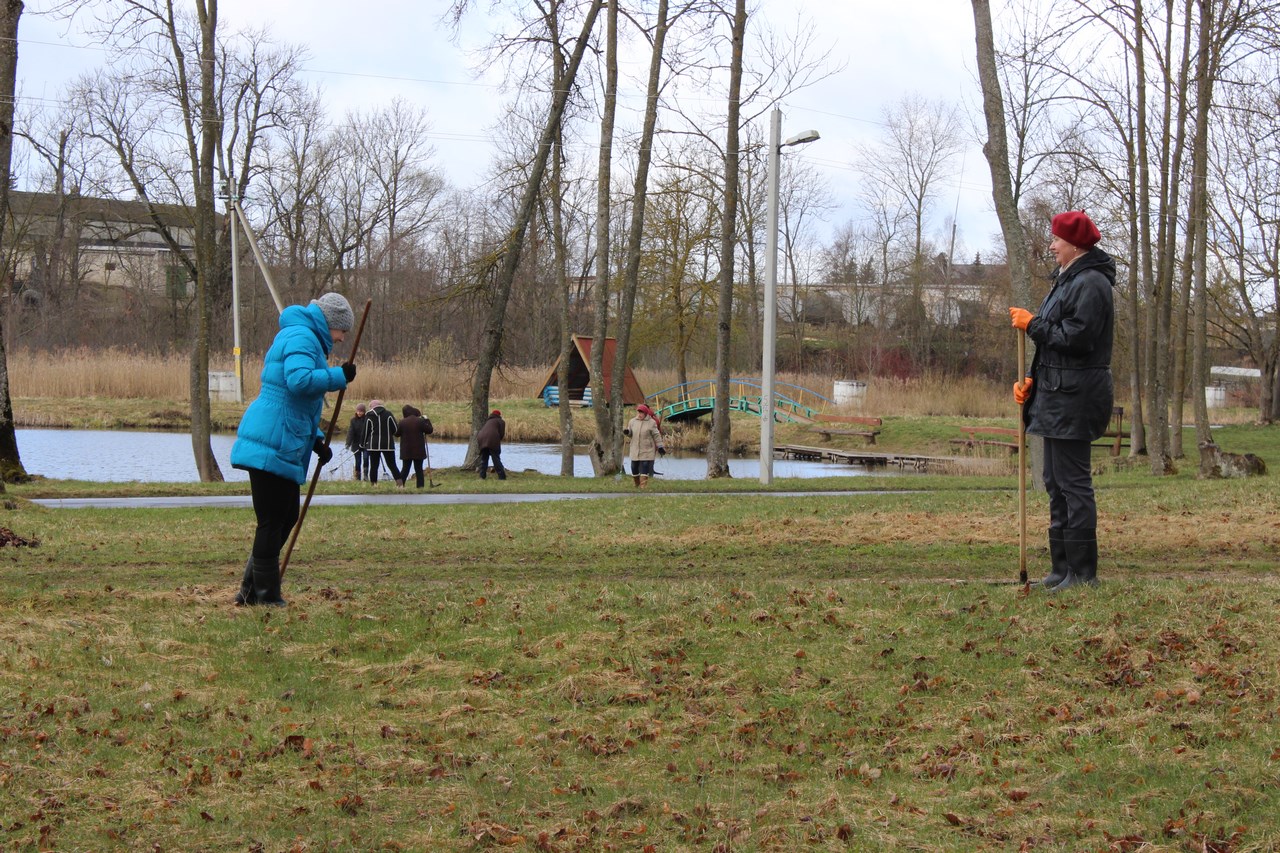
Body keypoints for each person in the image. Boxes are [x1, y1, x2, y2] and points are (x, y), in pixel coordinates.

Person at [1010, 210, 1115, 592]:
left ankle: (1083, 574)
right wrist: (1031, 381)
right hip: (1056, 395)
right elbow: (1055, 348)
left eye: (1056, 239)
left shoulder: (1092, 283)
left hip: (1076, 397)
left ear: (1074, 244)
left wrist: (1032, 324)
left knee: (1073, 483)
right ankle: (1061, 569)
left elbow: (1077, 339)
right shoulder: (1066, 280)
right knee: (1054, 482)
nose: (1052, 245)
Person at [230, 292, 356, 606]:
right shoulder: (302, 336)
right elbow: (298, 382)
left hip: (283, 437)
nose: (342, 338)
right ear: (330, 322)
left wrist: (315, 440)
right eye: (342, 330)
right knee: (273, 519)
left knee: (285, 516)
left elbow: (298, 403)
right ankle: (266, 596)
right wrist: (338, 376)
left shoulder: (306, 337)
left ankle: (249, 591)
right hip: (272, 439)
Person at [624, 403, 665, 488]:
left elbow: (656, 435)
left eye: (641, 413)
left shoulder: (651, 422)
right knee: (634, 467)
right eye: (638, 412)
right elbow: (630, 434)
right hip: (635, 448)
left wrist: (660, 446)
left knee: (645, 465)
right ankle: (637, 484)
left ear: (645, 413)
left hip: (647, 448)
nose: (639, 414)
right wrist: (627, 432)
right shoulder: (632, 422)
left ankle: (643, 486)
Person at [363, 399, 400, 486]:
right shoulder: (388, 414)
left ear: (372, 407)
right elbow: (396, 429)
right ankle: (400, 484)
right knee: (392, 465)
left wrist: (362, 444)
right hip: (388, 444)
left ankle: (374, 485)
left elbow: (365, 432)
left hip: (373, 445)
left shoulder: (369, 416)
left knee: (374, 466)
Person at [397, 404, 434, 488]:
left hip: (406, 450)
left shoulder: (402, 422)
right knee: (419, 469)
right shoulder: (420, 421)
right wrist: (426, 420)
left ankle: (400, 486)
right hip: (418, 450)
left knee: (405, 469)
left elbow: (396, 434)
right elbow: (429, 430)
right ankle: (420, 487)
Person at [476, 409, 506, 480]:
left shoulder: (488, 421)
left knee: (484, 458)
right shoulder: (501, 421)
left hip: (481, 438)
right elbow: (501, 434)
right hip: (492, 439)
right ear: (499, 415)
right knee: (496, 459)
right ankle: (502, 477)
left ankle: (482, 476)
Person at [345, 403, 368, 481]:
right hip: (356, 444)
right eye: (358, 411)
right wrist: (348, 443)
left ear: (364, 412)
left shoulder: (367, 420)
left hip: (366, 444)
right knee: (358, 461)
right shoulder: (353, 420)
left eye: (361, 411)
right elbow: (350, 432)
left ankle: (365, 476)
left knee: (366, 458)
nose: (359, 413)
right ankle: (357, 477)